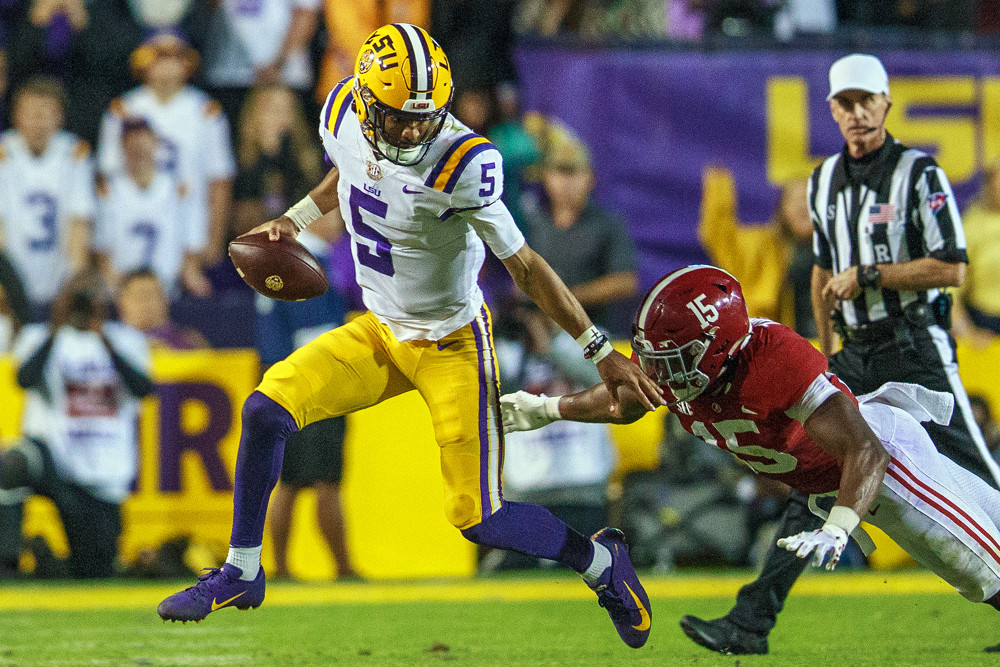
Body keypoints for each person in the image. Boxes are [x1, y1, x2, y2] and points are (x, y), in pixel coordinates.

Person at [156, 24, 661, 648]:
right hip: (378, 328)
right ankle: (242, 569)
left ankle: (601, 561)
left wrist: (599, 350)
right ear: (368, 103)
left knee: (479, 517)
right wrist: (296, 218)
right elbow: (348, 171)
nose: (412, 132)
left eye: (424, 119)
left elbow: (526, 266)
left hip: (453, 342)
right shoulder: (343, 112)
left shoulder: (463, 164)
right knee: (265, 410)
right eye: (398, 118)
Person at [675, 52, 1000, 656]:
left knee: (980, 474)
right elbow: (823, 271)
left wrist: (872, 275)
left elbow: (952, 267)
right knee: (816, 471)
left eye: (865, 100)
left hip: (916, 347)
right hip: (855, 348)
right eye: (845, 102)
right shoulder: (824, 180)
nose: (856, 112)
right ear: (831, 109)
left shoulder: (918, 173)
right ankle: (751, 621)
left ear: (885, 103)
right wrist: (826, 351)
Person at [502, 265, 1000, 646]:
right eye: (655, 359)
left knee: (978, 565)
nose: (660, 374)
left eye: (673, 361)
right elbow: (625, 399)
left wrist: (838, 527)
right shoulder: (687, 363)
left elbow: (865, 450)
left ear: (718, 346)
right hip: (837, 478)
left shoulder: (773, 356)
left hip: (886, 465)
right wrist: (545, 410)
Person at [0, 269, 153, 578]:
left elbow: (143, 389)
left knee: (95, 569)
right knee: (12, 464)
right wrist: (56, 331)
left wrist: (104, 340)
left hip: (100, 475)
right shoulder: (40, 337)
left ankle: (48, 561)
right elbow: (24, 379)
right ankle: (6, 564)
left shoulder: (126, 340)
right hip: (53, 458)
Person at [97, 31, 235, 267]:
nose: (165, 64)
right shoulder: (124, 109)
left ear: (187, 63)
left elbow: (219, 179)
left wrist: (214, 239)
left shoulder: (206, 112)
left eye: (174, 56)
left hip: (189, 227)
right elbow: (107, 179)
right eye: (157, 56)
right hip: (134, 222)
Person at [521, 135, 638, 335]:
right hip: (536, 327)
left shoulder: (606, 223)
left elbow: (626, 281)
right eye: (560, 172)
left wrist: (566, 298)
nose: (567, 182)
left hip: (591, 328)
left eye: (574, 173)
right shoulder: (532, 222)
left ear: (590, 178)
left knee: (567, 347)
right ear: (546, 176)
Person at [0, 77, 95, 321]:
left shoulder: (74, 153)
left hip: (58, 281)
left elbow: (79, 223)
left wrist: (74, 283)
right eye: (31, 114)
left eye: (45, 114)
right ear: (16, 116)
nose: (38, 122)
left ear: (59, 118)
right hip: (10, 282)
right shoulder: (3, 153)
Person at [94, 116, 209, 298]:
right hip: (122, 293)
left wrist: (189, 275)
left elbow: (191, 250)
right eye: (133, 146)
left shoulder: (178, 190)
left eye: (143, 145)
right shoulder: (109, 192)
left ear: (155, 144)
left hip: (169, 291)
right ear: (123, 148)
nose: (139, 151)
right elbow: (103, 254)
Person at [699, 167, 816, 337]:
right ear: (782, 207)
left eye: (810, 198)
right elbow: (720, 236)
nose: (803, 206)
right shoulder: (760, 246)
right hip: (777, 345)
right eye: (796, 199)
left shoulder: (841, 249)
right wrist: (719, 187)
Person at [116, 269, 208, 350]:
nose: (146, 302)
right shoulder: (113, 344)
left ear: (165, 301)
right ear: (121, 305)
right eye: (139, 296)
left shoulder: (190, 341)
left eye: (152, 295)